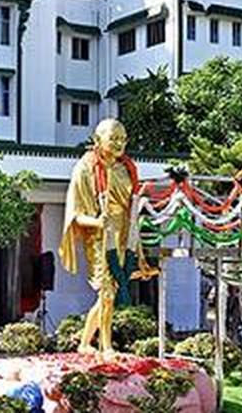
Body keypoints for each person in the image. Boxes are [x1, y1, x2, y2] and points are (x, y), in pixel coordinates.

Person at [59, 118, 157, 356]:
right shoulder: (85, 168)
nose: (119, 143)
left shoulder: (127, 169)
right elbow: (75, 214)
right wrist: (97, 222)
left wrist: (140, 255)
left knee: (108, 294)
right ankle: (106, 347)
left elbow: (131, 212)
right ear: (97, 139)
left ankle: (85, 343)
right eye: (113, 139)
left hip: (124, 234)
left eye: (122, 139)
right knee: (107, 292)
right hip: (99, 237)